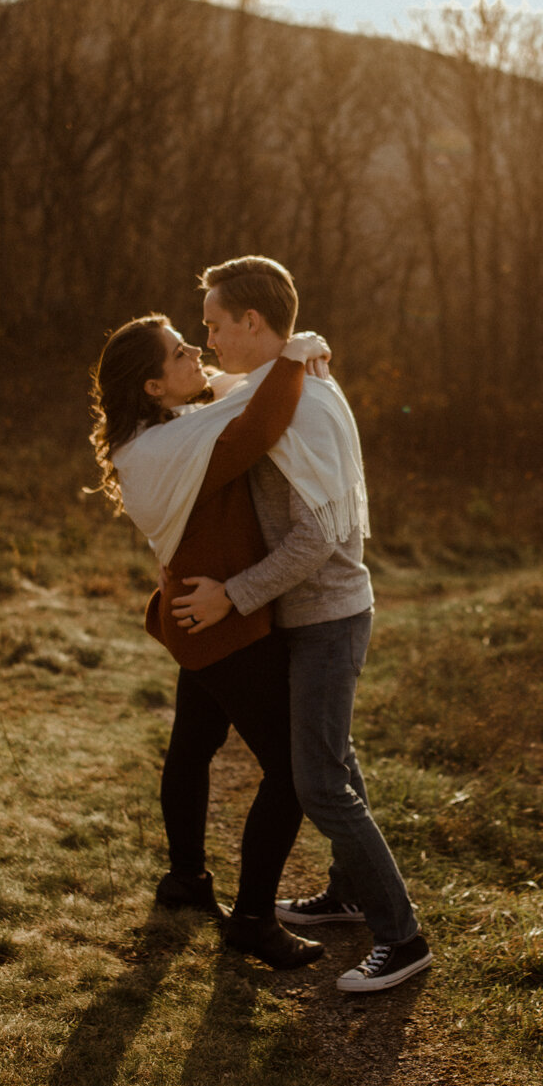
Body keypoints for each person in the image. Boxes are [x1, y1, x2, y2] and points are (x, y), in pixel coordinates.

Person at [170, 256, 433, 994]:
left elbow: (317, 535)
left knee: (318, 780)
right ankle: (350, 894)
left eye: (216, 325)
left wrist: (235, 594)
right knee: (334, 760)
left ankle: (401, 935)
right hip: (313, 616)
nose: (209, 338)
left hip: (326, 618)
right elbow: (224, 388)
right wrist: (299, 340)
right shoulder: (282, 379)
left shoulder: (302, 401)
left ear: (253, 323)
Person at [86, 311, 330, 970]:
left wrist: (245, 372)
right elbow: (256, 426)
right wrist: (295, 351)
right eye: (178, 352)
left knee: (194, 743)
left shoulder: (157, 434)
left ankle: (187, 879)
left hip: (198, 613)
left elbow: (225, 397)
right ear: (154, 387)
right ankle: (252, 918)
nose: (195, 351)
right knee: (291, 767)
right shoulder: (167, 447)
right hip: (219, 622)